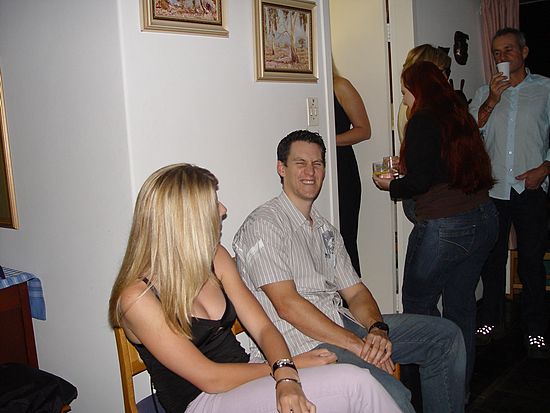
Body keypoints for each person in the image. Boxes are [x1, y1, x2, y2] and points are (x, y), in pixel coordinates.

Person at [108, 164, 401, 413]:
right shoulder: (138, 299)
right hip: (203, 402)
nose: (223, 210)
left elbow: (263, 328)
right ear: (187, 220)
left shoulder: (216, 257)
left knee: (352, 379)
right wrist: (288, 368)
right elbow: (210, 378)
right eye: (213, 203)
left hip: (249, 377)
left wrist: (285, 371)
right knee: (354, 383)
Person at [233, 130, 467, 413]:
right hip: (303, 344)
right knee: (394, 394)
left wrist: (377, 329)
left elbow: (355, 292)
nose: (310, 172)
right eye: (300, 163)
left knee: (445, 337)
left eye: (317, 164)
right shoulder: (264, 225)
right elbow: (287, 306)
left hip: (342, 325)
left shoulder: (325, 229)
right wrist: (358, 345)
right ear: (281, 168)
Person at [373, 61, 498, 393]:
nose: (403, 99)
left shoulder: (422, 120)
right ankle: (458, 390)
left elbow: (421, 182)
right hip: (483, 217)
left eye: (404, 92)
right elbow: (443, 166)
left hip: (446, 225)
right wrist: (409, 166)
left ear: (418, 90)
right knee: (461, 307)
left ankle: (422, 390)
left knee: (418, 306)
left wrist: (391, 185)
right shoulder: (458, 114)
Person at [469, 27, 550, 358]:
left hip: (531, 189)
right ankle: (490, 322)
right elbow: (470, 133)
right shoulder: (483, 92)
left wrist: (545, 168)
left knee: (531, 263)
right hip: (494, 189)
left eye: (508, 50)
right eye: (496, 53)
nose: (502, 57)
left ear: (524, 52)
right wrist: (492, 100)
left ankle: (536, 330)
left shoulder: (545, 89)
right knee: (492, 260)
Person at [333, 66, 372, 275]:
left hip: (341, 169)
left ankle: (352, 293)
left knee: (344, 237)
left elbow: (364, 130)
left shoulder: (339, 85)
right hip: (310, 169)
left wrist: (328, 140)